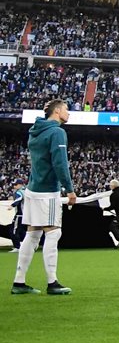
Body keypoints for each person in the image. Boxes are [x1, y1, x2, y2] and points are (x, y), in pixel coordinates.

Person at [11, 99, 75, 296]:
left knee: (32, 234)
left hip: (33, 189)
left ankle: (19, 282)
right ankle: (52, 281)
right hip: (48, 191)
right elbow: (60, 163)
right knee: (53, 233)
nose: (69, 113)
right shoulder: (57, 132)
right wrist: (69, 189)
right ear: (56, 111)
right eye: (66, 109)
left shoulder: (35, 132)